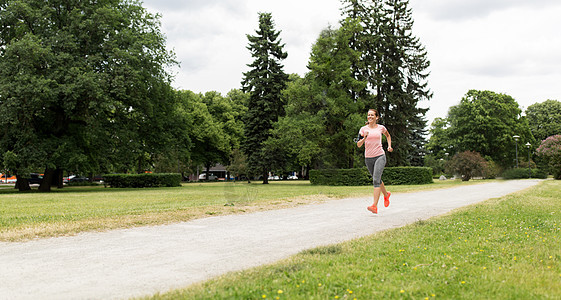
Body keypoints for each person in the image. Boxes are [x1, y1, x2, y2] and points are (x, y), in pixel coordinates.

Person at [356, 108, 393, 214]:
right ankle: (386, 195)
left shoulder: (381, 128)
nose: (370, 117)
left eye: (372, 115)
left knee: (376, 180)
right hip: (368, 158)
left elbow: (388, 135)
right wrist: (364, 138)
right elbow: (358, 145)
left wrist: (389, 146)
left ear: (377, 117)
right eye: (368, 115)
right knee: (377, 178)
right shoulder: (363, 129)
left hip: (380, 156)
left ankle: (374, 206)